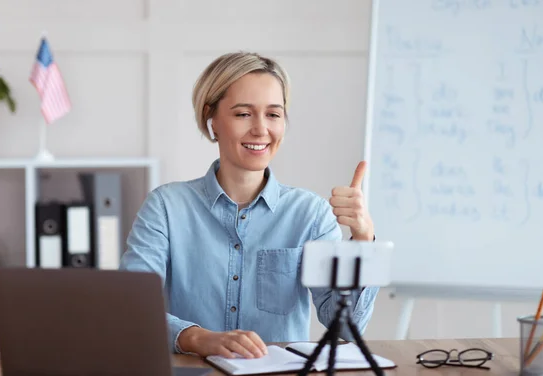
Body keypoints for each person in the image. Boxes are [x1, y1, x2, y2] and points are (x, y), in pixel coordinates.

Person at [119, 51, 379, 359]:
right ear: (211, 119)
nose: (260, 129)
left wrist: (363, 240)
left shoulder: (310, 214)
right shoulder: (165, 207)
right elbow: (129, 311)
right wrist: (197, 338)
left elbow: (347, 329)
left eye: (273, 114)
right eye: (243, 114)